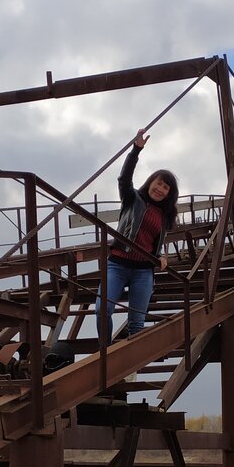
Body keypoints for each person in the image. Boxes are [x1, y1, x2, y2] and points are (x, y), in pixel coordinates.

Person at [95, 129, 179, 344]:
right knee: (102, 309)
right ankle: (106, 353)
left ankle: (132, 369)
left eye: (165, 187)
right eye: (158, 183)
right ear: (151, 182)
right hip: (117, 263)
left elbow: (155, 242)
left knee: (137, 323)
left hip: (143, 270)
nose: (160, 189)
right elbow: (124, 179)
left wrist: (160, 256)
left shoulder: (166, 215)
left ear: (169, 194)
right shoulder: (133, 199)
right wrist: (136, 150)